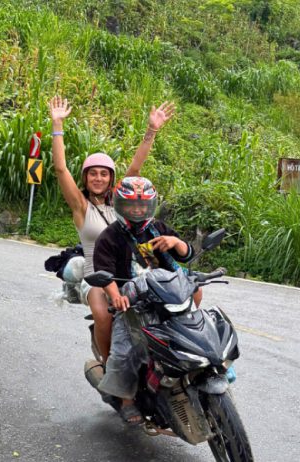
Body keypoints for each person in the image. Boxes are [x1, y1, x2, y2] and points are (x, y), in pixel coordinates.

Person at [48, 96, 175, 365]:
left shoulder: (122, 203)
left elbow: (136, 168)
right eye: (92, 173)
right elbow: (60, 169)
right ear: (85, 178)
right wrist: (57, 125)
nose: (98, 178)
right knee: (103, 314)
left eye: (104, 174)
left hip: (132, 271)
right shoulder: (81, 206)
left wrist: (152, 131)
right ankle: (110, 366)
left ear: (111, 179)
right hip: (98, 275)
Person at [92, 176, 200, 424]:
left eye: (143, 205)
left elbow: (187, 256)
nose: (138, 210)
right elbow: (104, 272)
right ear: (120, 206)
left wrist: (176, 242)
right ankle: (126, 400)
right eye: (132, 205)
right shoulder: (110, 236)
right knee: (124, 350)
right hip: (132, 301)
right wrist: (116, 296)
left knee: (194, 329)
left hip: (166, 296)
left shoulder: (159, 229)